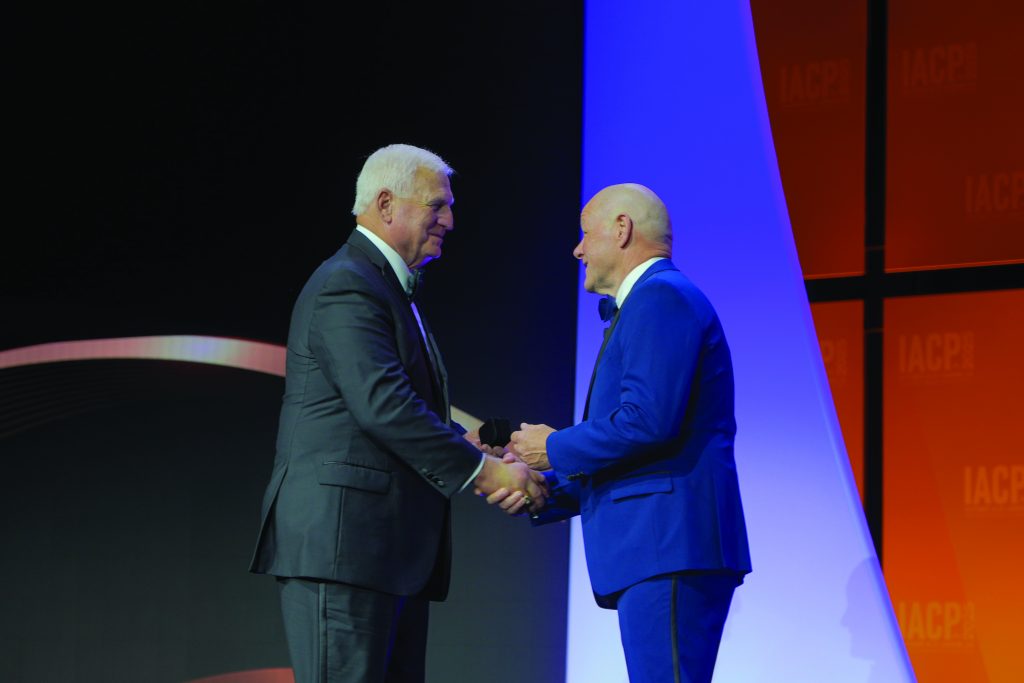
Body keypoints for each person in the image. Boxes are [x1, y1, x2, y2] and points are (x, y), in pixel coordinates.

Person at [249, 143, 547, 683]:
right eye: (437, 206)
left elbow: (394, 403)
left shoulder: (384, 287)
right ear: (386, 204)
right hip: (345, 551)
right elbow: (383, 404)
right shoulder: (346, 283)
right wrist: (485, 473)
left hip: (384, 554)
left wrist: (463, 443)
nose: (449, 221)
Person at [487, 183, 752, 683]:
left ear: (622, 229)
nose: (578, 250)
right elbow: (643, 446)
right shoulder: (652, 302)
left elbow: (648, 422)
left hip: (668, 546)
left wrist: (553, 447)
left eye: (585, 235)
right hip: (660, 547)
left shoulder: (660, 297)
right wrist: (545, 491)